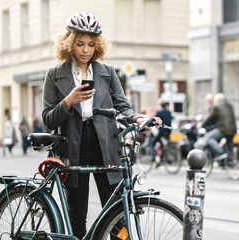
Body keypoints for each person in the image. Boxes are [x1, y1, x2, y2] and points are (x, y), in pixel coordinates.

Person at [41, 12, 156, 239]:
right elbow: (47, 119)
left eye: (91, 44)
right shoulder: (55, 75)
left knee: (116, 212)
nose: (86, 50)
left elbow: (123, 106)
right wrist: (68, 101)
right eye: (80, 44)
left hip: (105, 145)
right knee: (77, 213)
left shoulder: (107, 72)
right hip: (73, 146)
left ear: (98, 46)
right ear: (70, 44)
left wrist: (138, 119)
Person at [198, 93, 236, 158]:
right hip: (233, 130)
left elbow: (209, 118)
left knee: (208, 138)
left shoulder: (217, 106)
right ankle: (229, 160)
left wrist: (201, 125)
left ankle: (221, 152)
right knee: (228, 144)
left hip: (223, 129)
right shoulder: (230, 105)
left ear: (218, 99)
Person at [151, 100, 172, 167]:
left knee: (152, 143)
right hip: (168, 131)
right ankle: (164, 156)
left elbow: (155, 121)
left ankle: (157, 159)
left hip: (162, 131)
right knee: (162, 143)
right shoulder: (168, 112)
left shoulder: (159, 112)